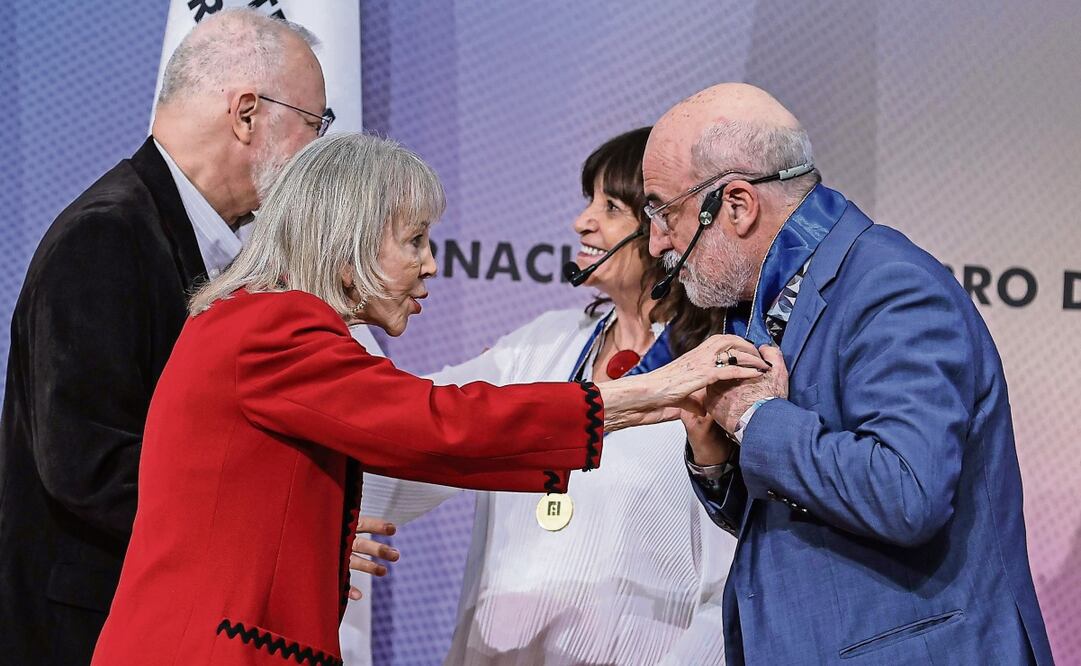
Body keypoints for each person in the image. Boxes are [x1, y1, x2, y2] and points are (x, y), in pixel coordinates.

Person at [90, 132, 763, 665]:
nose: (432, 263)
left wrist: (322, 533)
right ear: (349, 241)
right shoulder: (275, 327)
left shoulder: (255, 320)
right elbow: (435, 423)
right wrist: (649, 391)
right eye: (414, 241)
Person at [0, 10, 400, 664]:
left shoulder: (190, 238)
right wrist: (279, 527)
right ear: (246, 114)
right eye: (314, 123)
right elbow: (87, 465)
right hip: (89, 630)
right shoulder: (106, 236)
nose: (317, 152)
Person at [643, 82, 1054, 665]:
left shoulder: (891, 286)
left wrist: (756, 418)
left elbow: (905, 494)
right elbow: (796, 518)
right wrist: (716, 458)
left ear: (736, 205)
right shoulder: (768, 304)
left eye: (663, 212)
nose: (656, 242)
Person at [357, 127, 734, 665]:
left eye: (611, 207)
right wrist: (323, 506)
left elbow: (730, 580)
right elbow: (415, 437)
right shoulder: (541, 344)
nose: (582, 222)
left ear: (667, 228)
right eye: (588, 202)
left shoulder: (712, 373)